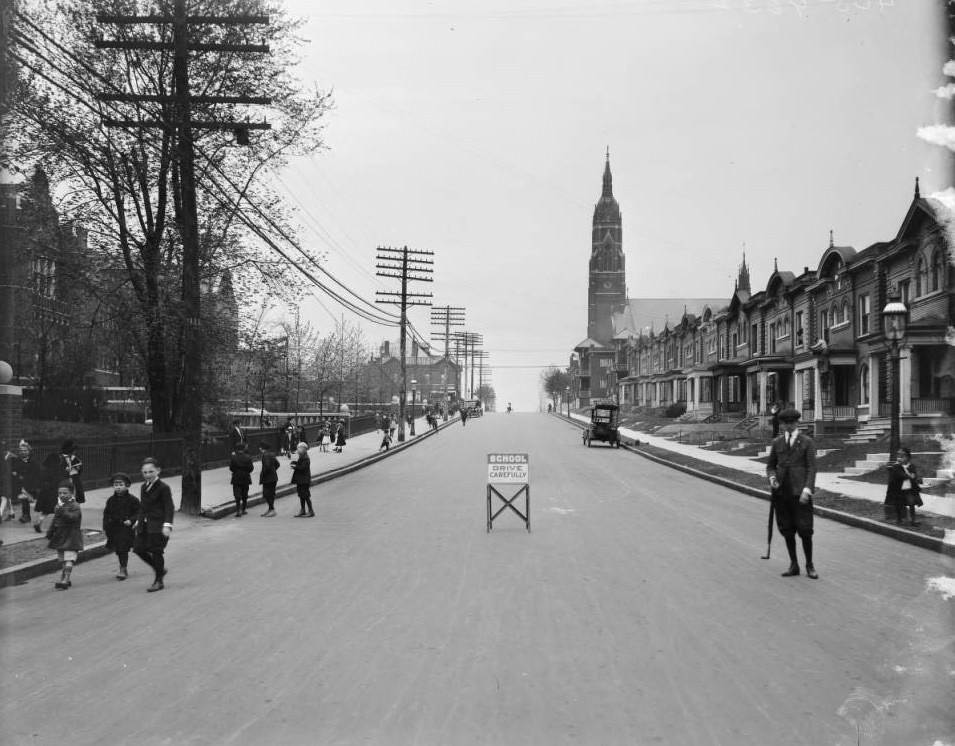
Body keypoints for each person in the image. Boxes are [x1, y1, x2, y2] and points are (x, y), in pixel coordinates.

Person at [766, 407, 819, 579]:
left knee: (805, 530)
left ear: (797, 423)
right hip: (782, 494)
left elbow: (812, 468)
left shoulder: (807, 442)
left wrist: (807, 490)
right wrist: (773, 479)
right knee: (787, 529)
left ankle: (809, 565)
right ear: (781, 425)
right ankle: (793, 564)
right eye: (785, 423)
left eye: (791, 423)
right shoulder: (777, 443)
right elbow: (770, 466)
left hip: (800, 493)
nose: (788, 426)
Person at [133, 457, 174, 592]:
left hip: (158, 524)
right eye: (145, 472)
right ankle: (160, 570)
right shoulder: (143, 486)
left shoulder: (163, 488)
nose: (148, 475)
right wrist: (138, 520)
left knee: (156, 551)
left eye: (151, 472)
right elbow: (143, 506)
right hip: (145, 524)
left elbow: (169, 507)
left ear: (158, 471)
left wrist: (167, 525)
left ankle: (158, 581)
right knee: (138, 549)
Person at [102, 472, 140, 580]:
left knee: (123, 548)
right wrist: (106, 526)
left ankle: (123, 569)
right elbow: (107, 513)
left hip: (126, 528)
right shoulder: (111, 500)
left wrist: (131, 520)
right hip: (114, 528)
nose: (118, 487)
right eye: (115, 485)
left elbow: (138, 512)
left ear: (126, 485)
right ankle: (123, 567)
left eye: (120, 485)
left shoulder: (133, 500)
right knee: (118, 549)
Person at [47, 480, 83, 590]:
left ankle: (66, 579)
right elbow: (55, 520)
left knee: (69, 558)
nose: (62, 495)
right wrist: (51, 530)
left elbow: (74, 518)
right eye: (60, 493)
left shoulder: (75, 505)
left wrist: (62, 511)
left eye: (65, 493)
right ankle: (64, 576)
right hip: (61, 535)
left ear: (71, 493)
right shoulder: (58, 506)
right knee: (63, 558)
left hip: (72, 535)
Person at [885, 447, 923, 527]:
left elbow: (914, 474)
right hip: (899, 489)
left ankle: (913, 520)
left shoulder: (911, 466)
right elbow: (900, 475)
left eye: (902, 457)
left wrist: (915, 476)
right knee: (898, 504)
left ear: (908, 457)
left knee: (911, 504)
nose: (900, 458)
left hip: (909, 489)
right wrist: (909, 476)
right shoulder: (896, 466)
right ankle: (899, 520)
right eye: (899, 456)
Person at [6, 440, 42, 524]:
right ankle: (26, 516)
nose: (23, 452)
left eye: (25, 450)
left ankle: (29, 516)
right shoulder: (18, 460)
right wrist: (15, 473)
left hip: (31, 483)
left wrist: (37, 485)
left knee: (29, 500)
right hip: (21, 484)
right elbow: (14, 469)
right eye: (21, 451)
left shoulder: (33, 461)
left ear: (29, 451)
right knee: (24, 500)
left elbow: (37, 473)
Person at [229, 442, 254, 517]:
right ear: (243, 449)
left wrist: (236, 471)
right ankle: (243, 509)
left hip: (236, 477)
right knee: (245, 494)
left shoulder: (233, 457)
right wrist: (246, 472)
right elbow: (251, 468)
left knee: (237, 494)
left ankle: (238, 510)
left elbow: (231, 468)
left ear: (236, 449)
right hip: (245, 477)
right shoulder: (248, 457)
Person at [290, 442, 314, 517]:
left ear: (303, 449)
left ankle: (311, 511)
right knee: (301, 495)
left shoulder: (305, 457)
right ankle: (302, 510)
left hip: (304, 480)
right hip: (301, 480)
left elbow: (303, 468)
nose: (298, 450)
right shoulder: (302, 456)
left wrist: (295, 467)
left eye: (299, 448)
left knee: (306, 496)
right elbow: (301, 464)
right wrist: (295, 462)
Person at [58, 439, 85, 504]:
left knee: (75, 493)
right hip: (66, 479)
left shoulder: (73, 457)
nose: (74, 452)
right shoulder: (61, 458)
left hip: (73, 477)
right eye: (73, 450)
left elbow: (80, 466)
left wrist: (77, 468)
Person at [258, 442, 280, 517]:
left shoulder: (265, 455)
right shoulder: (271, 454)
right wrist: (273, 470)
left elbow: (266, 466)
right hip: (273, 477)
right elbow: (277, 464)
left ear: (261, 448)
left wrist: (264, 473)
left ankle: (272, 509)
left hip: (268, 478)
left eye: (260, 447)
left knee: (266, 494)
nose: (259, 448)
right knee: (271, 494)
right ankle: (271, 509)